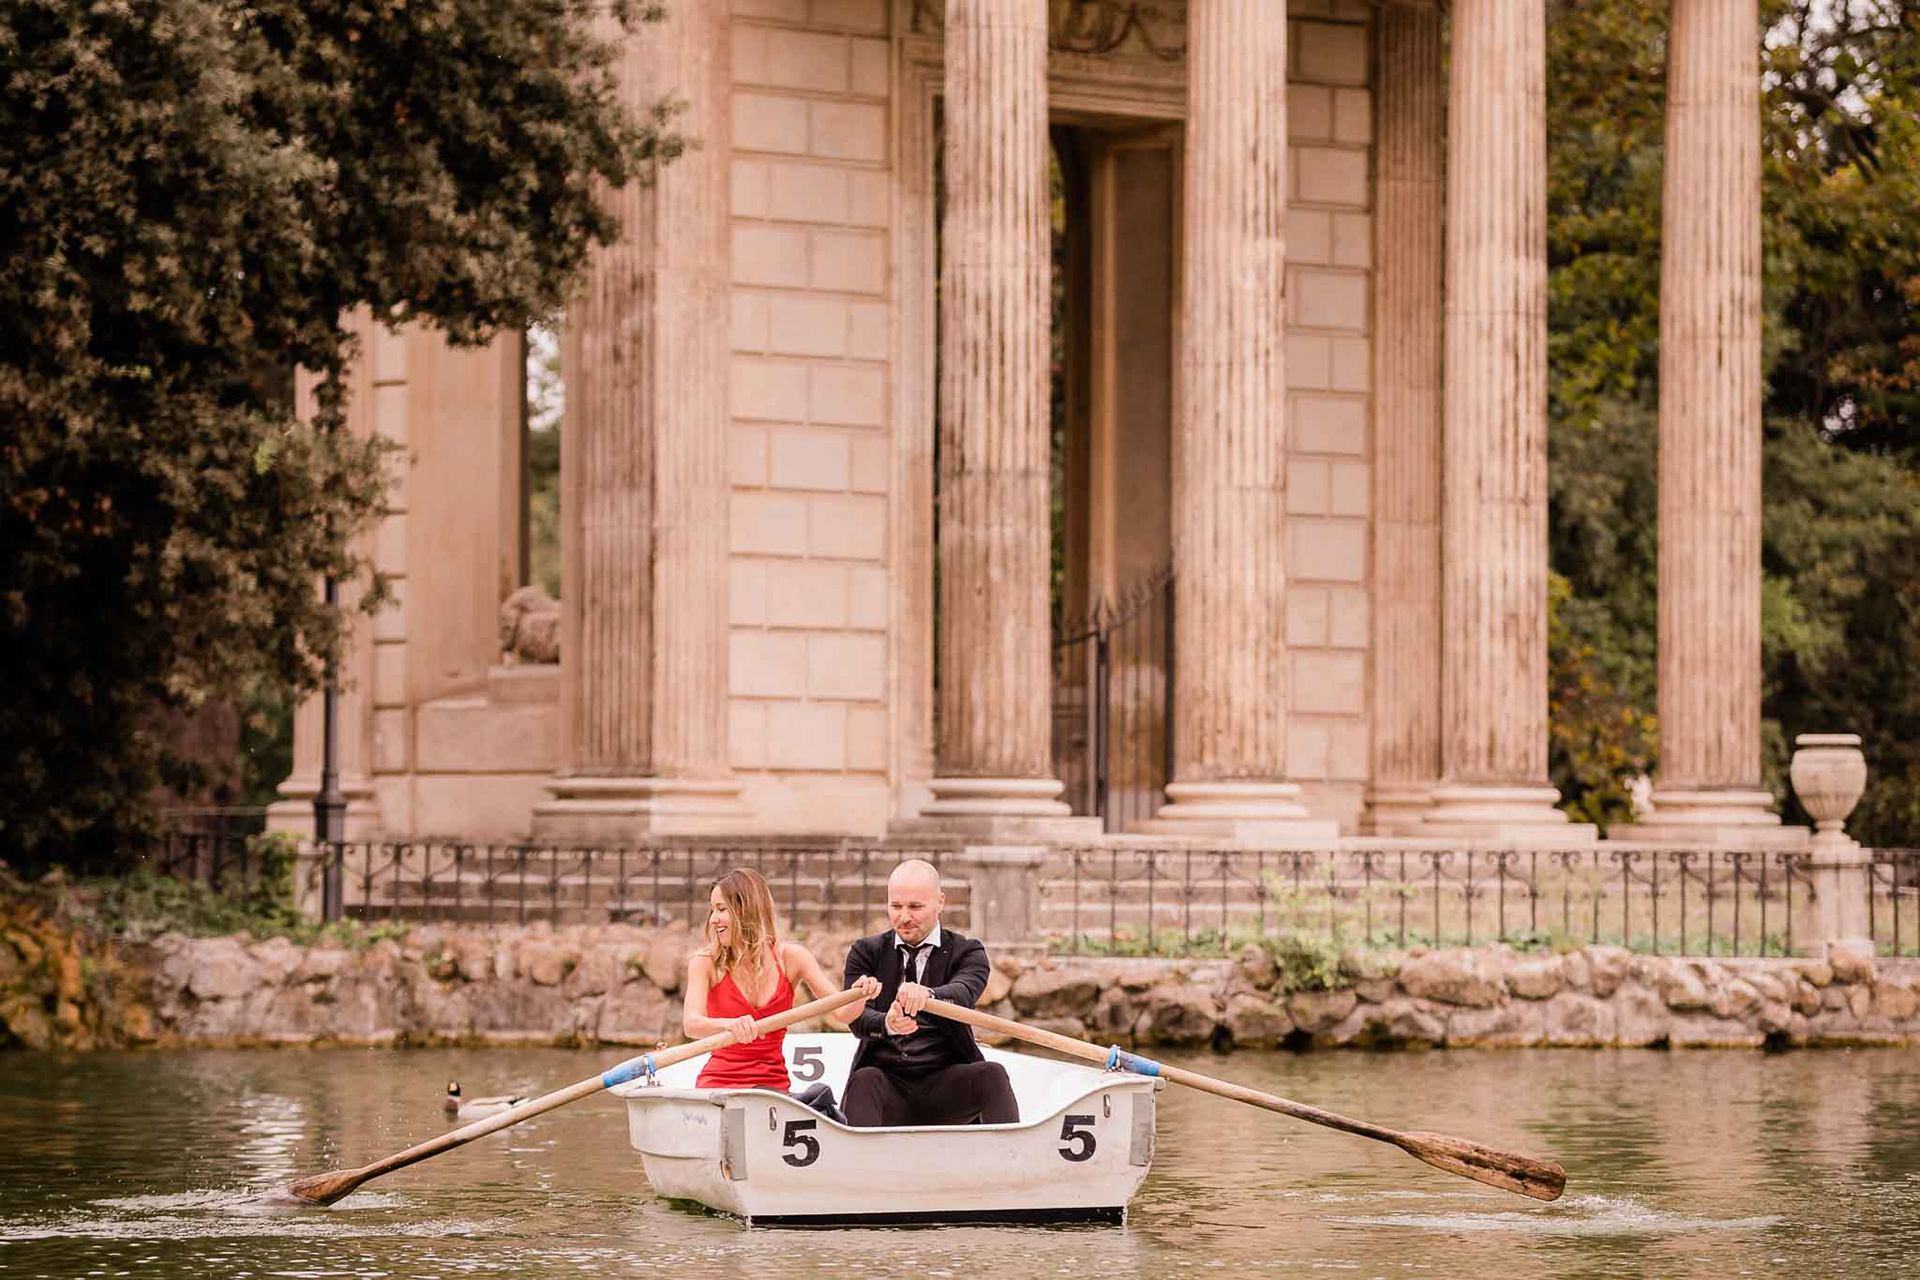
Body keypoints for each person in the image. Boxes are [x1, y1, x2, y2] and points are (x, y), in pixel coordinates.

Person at [683, 867, 880, 1120]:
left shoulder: (792, 958)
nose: (712, 920)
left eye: (721, 909)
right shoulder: (705, 962)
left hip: (772, 1091)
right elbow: (691, 1024)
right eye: (713, 910)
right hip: (719, 1087)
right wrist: (731, 1025)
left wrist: (859, 996)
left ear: (746, 909)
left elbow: (842, 1013)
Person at [840, 858, 1019, 1127]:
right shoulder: (865, 952)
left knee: (992, 1074)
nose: (904, 917)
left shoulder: (968, 951)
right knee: (863, 1080)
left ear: (940, 902)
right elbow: (856, 1020)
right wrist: (887, 1024)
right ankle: (856, 1164)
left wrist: (929, 995)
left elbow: (964, 993)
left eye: (915, 907)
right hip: (887, 1085)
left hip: (947, 1087)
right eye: (896, 906)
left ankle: (1012, 1159)